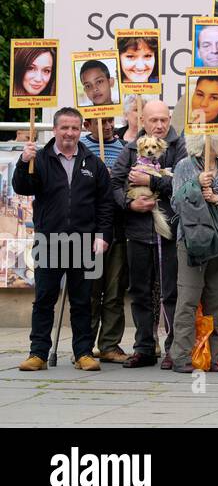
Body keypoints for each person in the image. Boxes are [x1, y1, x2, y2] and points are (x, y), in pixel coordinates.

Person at [12, 108, 112, 373]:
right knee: (44, 298)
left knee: (83, 300)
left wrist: (102, 236)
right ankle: (38, 353)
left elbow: (105, 204)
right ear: (54, 129)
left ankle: (83, 353)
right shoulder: (40, 158)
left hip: (85, 241)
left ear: (81, 130)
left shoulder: (93, 162)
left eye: (75, 128)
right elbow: (21, 187)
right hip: (49, 239)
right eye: (64, 128)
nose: (69, 133)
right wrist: (24, 162)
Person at [111, 99, 187, 369]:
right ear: (142, 122)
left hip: (169, 231)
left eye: (163, 120)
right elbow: (114, 184)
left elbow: (182, 183)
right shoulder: (131, 149)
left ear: (169, 120)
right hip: (138, 230)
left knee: (170, 292)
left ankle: (172, 348)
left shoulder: (179, 147)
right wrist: (129, 204)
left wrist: (151, 181)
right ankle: (144, 347)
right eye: (153, 120)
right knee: (140, 291)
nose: (159, 125)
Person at [168, 130, 218, 372]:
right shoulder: (184, 166)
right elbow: (176, 202)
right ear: (208, 141)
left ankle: (211, 354)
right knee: (188, 299)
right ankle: (182, 356)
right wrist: (196, 185)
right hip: (192, 242)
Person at [82, 116, 129, 363]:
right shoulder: (81, 148)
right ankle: (84, 346)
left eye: (110, 121)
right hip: (90, 230)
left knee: (114, 291)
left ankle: (110, 344)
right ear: (87, 125)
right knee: (90, 291)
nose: (108, 126)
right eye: (101, 122)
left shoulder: (123, 148)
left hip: (117, 228)